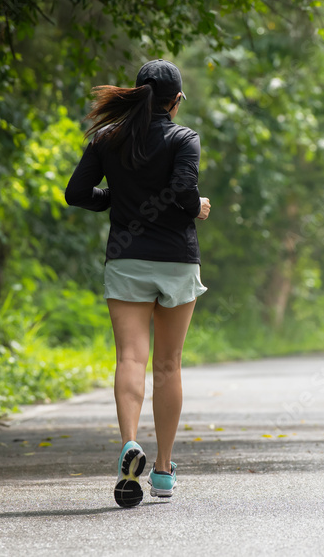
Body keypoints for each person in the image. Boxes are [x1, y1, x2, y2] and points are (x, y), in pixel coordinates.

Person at [65, 59, 211, 508]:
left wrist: (121, 197)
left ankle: (130, 444)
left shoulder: (108, 138)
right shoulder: (183, 138)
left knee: (129, 356)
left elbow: (77, 193)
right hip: (175, 263)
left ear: (136, 94)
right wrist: (199, 207)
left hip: (127, 258)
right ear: (176, 100)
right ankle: (164, 470)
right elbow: (184, 192)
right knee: (168, 366)